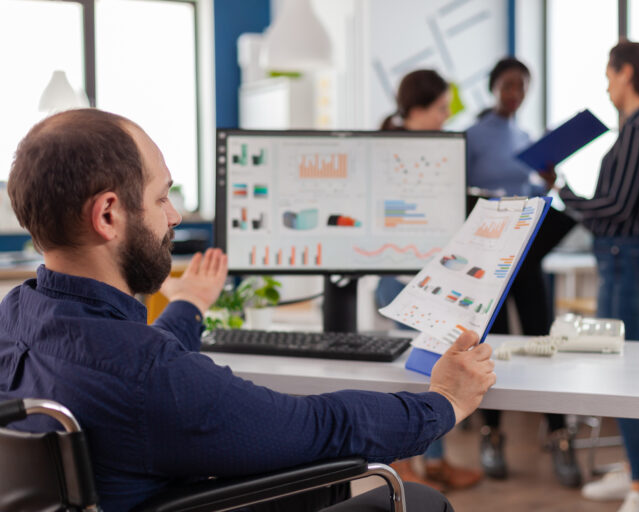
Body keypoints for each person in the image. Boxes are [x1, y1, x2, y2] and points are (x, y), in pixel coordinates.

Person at [0, 108, 496, 512]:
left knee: (315, 485)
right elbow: (321, 426)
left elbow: (136, 370)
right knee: (421, 500)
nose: (174, 215)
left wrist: (190, 303)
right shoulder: (147, 376)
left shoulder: (15, 316)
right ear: (108, 214)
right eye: (161, 197)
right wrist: (444, 402)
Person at [557, 40, 639, 512]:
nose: (607, 87)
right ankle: (632, 471)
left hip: (625, 258)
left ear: (626, 73)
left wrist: (565, 193)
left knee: (625, 374)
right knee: (618, 370)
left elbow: (617, 206)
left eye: (609, 76)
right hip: (625, 256)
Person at [465, 57, 579, 487]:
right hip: (488, 257)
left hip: (525, 254)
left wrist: (547, 184)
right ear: (494, 87)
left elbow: (530, 193)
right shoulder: (473, 136)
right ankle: (492, 436)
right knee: (489, 347)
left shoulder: (527, 138)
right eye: (509, 85)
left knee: (540, 340)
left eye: (523, 86)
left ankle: (559, 434)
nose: (516, 93)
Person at [376, 69, 484, 492]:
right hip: (403, 280)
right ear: (417, 108)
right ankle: (402, 467)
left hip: (438, 279)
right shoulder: (390, 153)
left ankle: (435, 463)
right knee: (409, 377)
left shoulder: (439, 151)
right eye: (440, 109)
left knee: (437, 372)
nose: (445, 117)